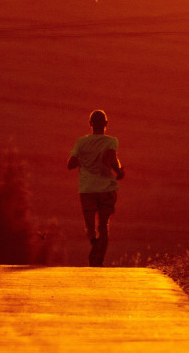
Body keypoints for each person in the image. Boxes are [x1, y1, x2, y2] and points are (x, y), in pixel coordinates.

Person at [68, 109, 125, 267]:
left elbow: (70, 164)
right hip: (106, 189)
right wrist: (119, 171)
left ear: (90, 124)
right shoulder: (111, 141)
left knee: (90, 226)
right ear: (106, 124)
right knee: (104, 226)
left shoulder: (81, 143)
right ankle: (98, 260)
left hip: (87, 190)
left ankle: (94, 242)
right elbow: (112, 159)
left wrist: (85, 160)